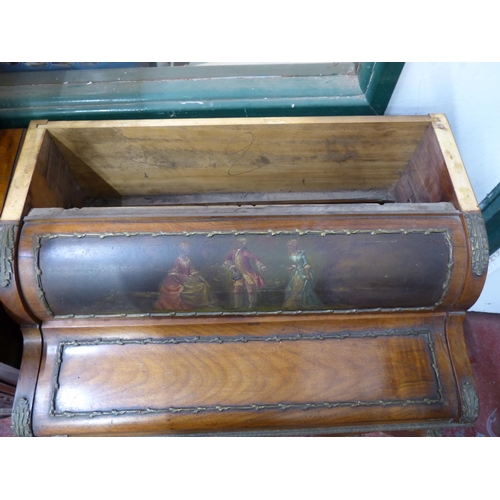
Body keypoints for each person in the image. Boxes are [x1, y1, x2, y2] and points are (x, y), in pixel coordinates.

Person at [155, 242, 213, 311]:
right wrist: (181, 277)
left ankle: (204, 303)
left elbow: (191, 269)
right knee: (196, 286)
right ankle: (192, 303)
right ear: (183, 250)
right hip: (182, 279)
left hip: (189, 278)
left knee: (203, 285)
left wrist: (196, 274)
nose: (189, 250)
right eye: (187, 249)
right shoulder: (178, 259)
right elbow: (174, 271)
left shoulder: (188, 259)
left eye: (188, 249)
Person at [223, 237, 267, 309]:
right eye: (239, 242)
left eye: (242, 243)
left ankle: (251, 305)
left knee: (251, 288)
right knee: (237, 289)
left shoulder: (245, 252)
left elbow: (255, 258)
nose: (240, 244)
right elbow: (226, 259)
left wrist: (261, 265)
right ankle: (237, 305)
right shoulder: (233, 251)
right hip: (238, 274)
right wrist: (231, 265)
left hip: (247, 273)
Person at [283, 239, 323, 310]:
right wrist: (291, 267)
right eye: (288, 246)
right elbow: (294, 265)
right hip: (295, 273)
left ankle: (305, 305)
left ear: (294, 246)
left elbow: (306, 264)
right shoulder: (291, 256)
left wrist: (307, 274)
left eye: (290, 246)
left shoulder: (302, 253)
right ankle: (294, 306)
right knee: (293, 289)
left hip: (303, 272)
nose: (289, 247)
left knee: (304, 290)